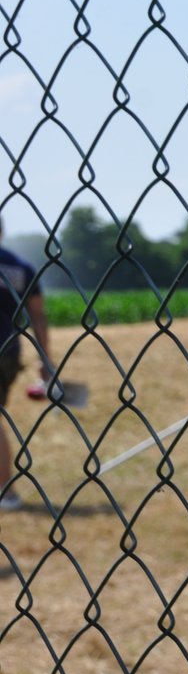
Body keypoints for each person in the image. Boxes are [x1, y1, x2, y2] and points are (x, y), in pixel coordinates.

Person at [0, 218, 51, 509]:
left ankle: (7, 494)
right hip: (9, 347)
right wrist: (45, 359)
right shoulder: (21, 267)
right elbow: (38, 316)